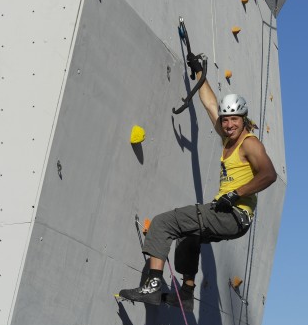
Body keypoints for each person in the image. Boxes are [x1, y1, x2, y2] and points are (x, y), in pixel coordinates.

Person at [119, 53, 277, 311]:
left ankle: (153, 285)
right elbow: (210, 104)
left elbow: (268, 174)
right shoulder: (228, 138)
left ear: (244, 119)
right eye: (225, 120)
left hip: (233, 213)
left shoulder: (249, 142)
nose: (228, 125)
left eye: (234, 119)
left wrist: (235, 194)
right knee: (187, 235)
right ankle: (186, 294)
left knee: (164, 222)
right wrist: (199, 75)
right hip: (228, 214)